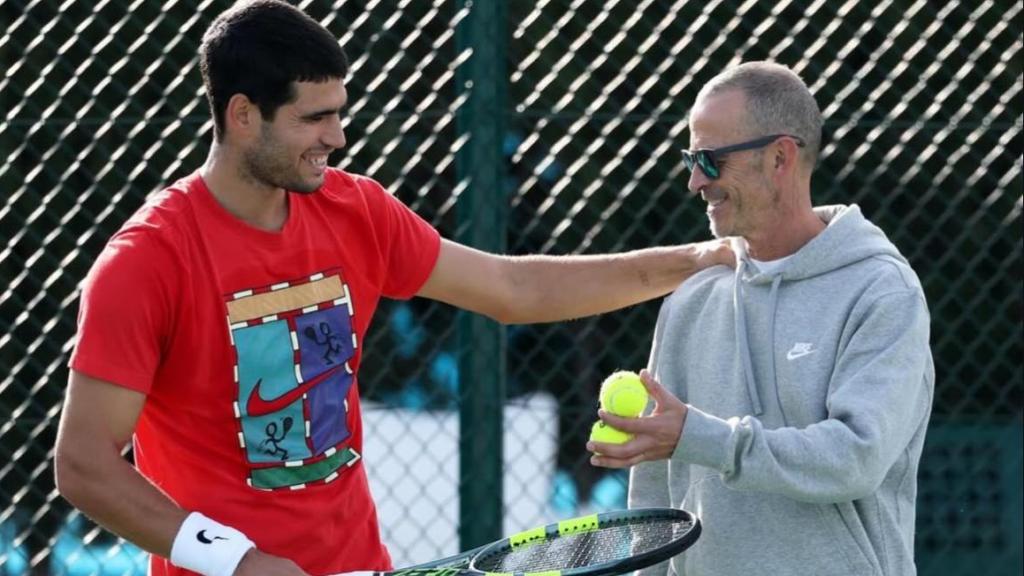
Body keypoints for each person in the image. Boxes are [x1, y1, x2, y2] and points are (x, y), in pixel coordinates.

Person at [51, 2, 733, 576]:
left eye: (338, 113)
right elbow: (83, 464)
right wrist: (234, 559)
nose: (337, 137)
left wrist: (695, 259)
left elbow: (510, 287)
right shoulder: (149, 260)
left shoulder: (358, 213)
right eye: (313, 119)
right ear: (241, 116)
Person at [588, 61, 934, 576]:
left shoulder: (881, 290)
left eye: (710, 160)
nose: (694, 181)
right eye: (690, 158)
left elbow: (855, 458)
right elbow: (656, 499)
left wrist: (704, 437)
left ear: (779, 157)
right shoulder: (691, 299)